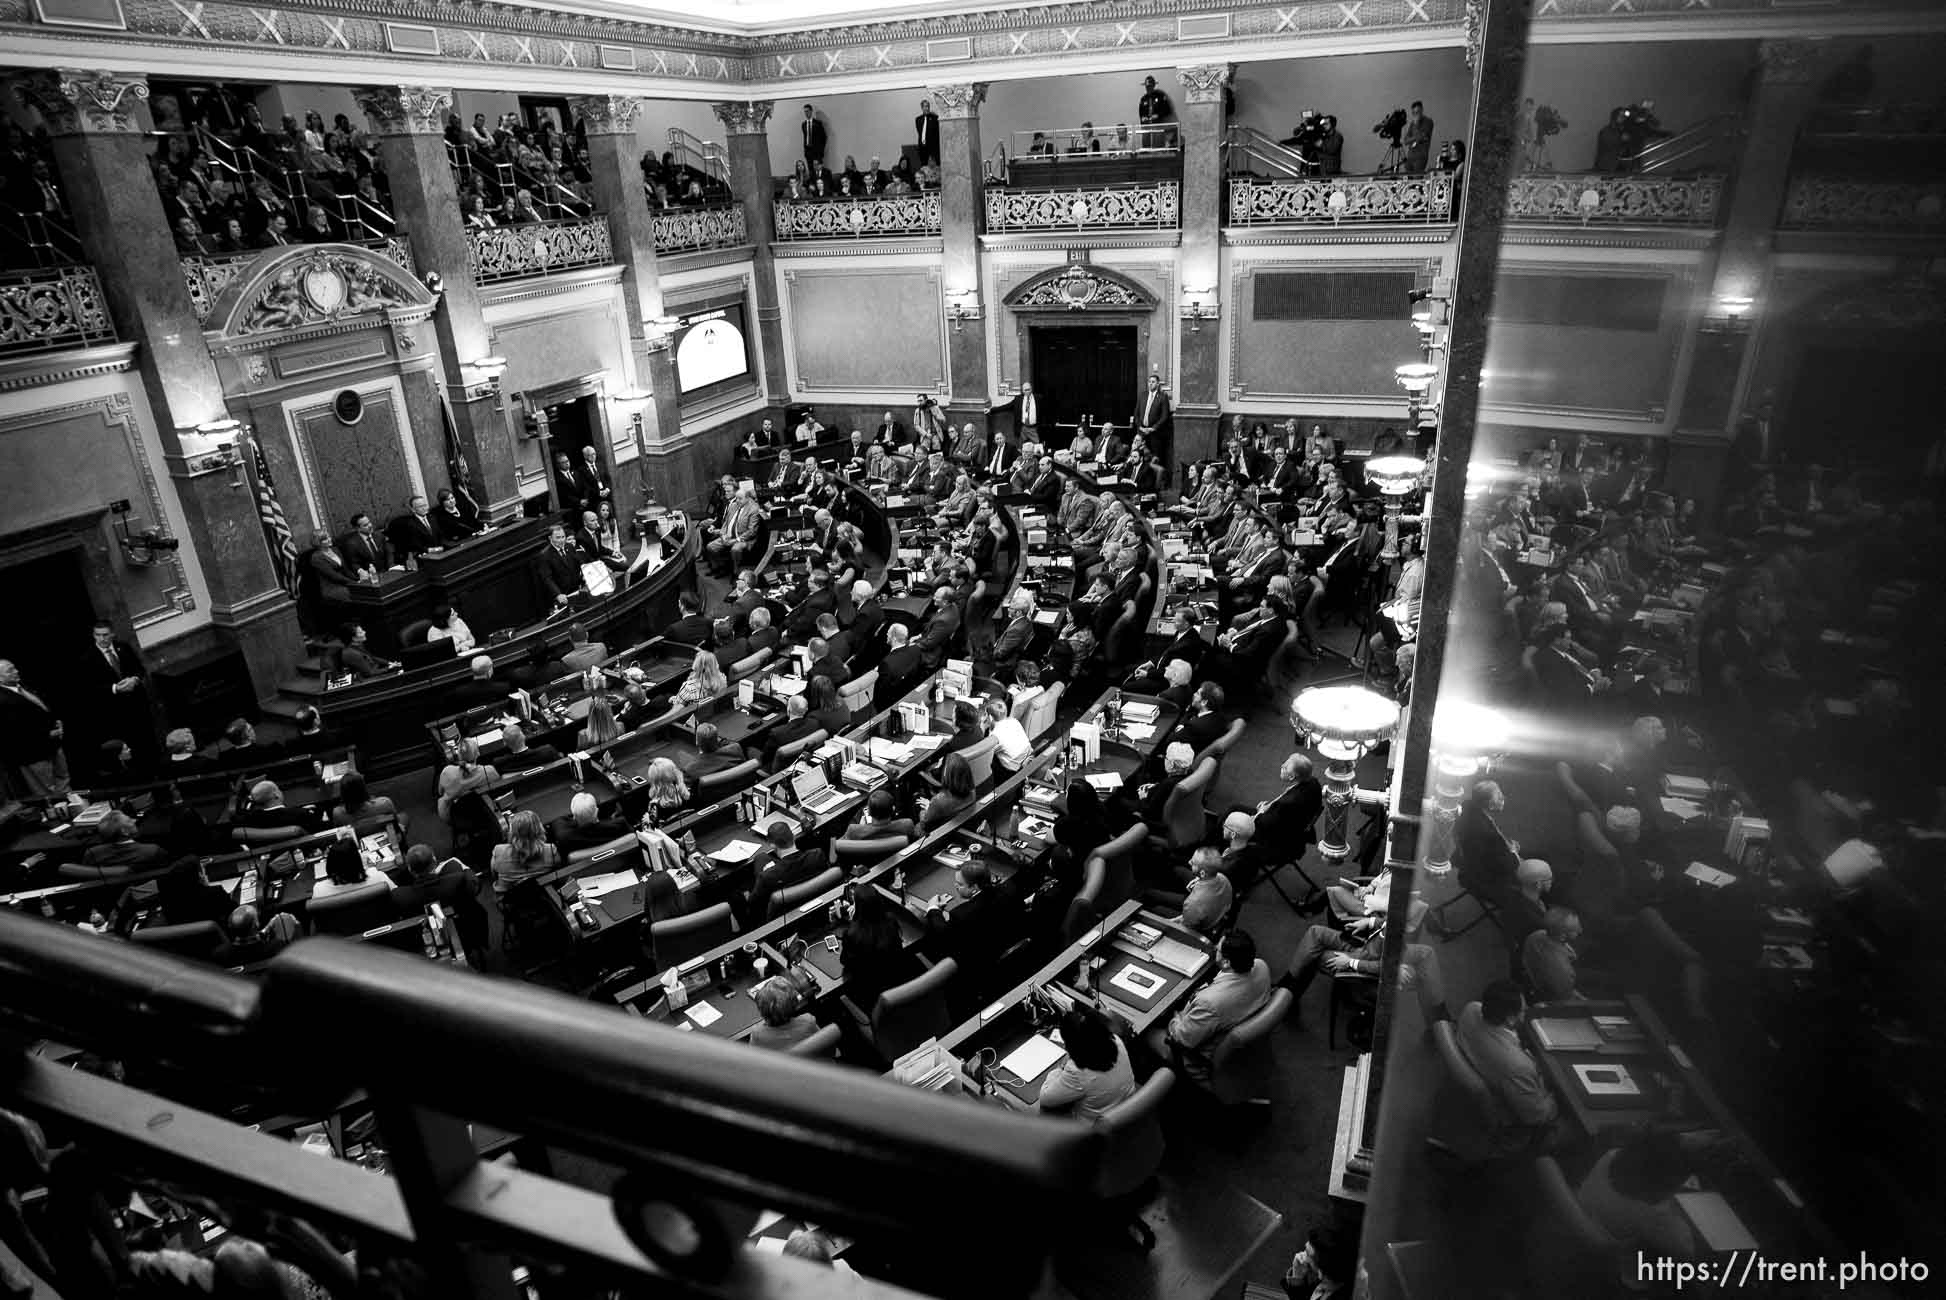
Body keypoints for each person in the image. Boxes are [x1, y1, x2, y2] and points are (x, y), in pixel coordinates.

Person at [1160, 931, 1271, 1082]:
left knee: (1145, 1031)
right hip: (1244, 1041)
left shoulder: (1210, 1003)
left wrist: (1175, 1017)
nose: (1214, 950)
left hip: (1198, 1057)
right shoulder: (1261, 965)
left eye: (1217, 949)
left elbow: (1181, 1039)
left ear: (1226, 962)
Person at [1576, 1129, 1702, 1258]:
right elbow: (1686, 1251)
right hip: (1612, 1257)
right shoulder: (1657, 1218)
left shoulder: (1610, 1156)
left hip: (1580, 1217)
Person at [1454, 979, 1557, 1131]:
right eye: (1523, 1010)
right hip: (1513, 1117)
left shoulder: (1471, 1009)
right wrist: (1556, 1099)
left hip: (1486, 1067)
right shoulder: (1518, 1067)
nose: (1526, 1011)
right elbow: (1536, 1116)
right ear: (1510, 1018)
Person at [1037, 1005, 1136, 1122]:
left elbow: (1045, 1098)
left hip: (1096, 1126)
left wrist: (1059, 1069)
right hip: (1130, 1107)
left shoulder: (1076, 1071)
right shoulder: (1115, 1040)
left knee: (1039, 1114)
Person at [0, 658, 69, 797]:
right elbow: (13, 730)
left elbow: (41, 709)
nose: (16, 671)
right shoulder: (2, 699)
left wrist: (56, 722)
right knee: (47, 792)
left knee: (64, 784)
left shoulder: (24, 687)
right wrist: (48, 734)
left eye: (14, 667)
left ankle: (73, 811)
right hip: (33, 753)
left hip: (53, 746)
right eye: (10, 670)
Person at [838, 881, 906, 1010]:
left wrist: (853, 923)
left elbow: (844, 961)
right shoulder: (890, 921)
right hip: (896, 982)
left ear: (859, 908)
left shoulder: (852, 934)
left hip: (869, 994)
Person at [745, 818, 826, 920]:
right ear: (793, 836)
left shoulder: (767, 876)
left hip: (784, 918)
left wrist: (770, 871)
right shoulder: (817, 855)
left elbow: (753, 904)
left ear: (772, 845)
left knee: (760, 859)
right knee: (762, 858)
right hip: (817, 908)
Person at [491, 810, 559, 894]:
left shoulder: (498, 851)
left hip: (509, 899)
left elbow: (494, 874)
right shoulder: (551, 850)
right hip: (544, 895)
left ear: (512, 831)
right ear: (539, 828)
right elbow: (557, 873)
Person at [156, 855, 233, 925]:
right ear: (199, 876)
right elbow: (236, 914)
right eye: (202, 872)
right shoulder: (215, 893)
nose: (204, 875)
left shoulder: (169, 903)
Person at [79, 811, 167, 871]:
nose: (134, 820)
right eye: (129, 820)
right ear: (124, 831)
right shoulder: (153, 851)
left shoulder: (91, 854)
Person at [313, 837, 394, 904]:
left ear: (330, 864)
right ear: (358, 860)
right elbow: (397, 896)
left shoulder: (319, 890)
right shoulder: (378, 877)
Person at [436, 739, 500, 823]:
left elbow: (440, 792)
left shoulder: (447, 771)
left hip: (456, 815)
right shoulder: (489, 771)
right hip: (484, 813)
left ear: (459, 756)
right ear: (478, 753)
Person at [750, 975, 821, 1049]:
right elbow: (824, 1041)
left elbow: (754, 1056)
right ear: (795, 1003)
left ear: (762, 1011)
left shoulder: (757, 1034)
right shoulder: (808, 1021)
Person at [213, 904, 300, 965]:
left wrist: (267, 928)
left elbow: (249, 941)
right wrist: (297, 926)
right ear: (257, 924)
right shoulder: (276, 947)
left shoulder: (220, 954)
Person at [551, 790, 630, 854]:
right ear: (597, 811)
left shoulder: (564, 837)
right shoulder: (619, 825)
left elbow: (558, 821)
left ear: (574, 816)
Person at [921, 753, 978, 830]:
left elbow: (924, 825)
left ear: (946, 774)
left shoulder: (938, 801)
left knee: (917, 805)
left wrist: (928, 808)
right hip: (962, 825)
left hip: (939, 833)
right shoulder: (972, 791)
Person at [330, 770, 400, 830]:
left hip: (358, 840)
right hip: (383, 836)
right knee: (403, 816)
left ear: (343, 793)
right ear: (364, 789)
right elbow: (396, 822)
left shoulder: (337, 814)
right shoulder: (385, 803)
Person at [536, 522, 584, 608]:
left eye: (563, 537)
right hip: (563, 595)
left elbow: (579, 564)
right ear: (550, 538)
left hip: (577, 589)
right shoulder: (545, 555)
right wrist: (558, 594)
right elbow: (547, 578)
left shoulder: (569, 547)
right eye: (558, 538)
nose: (562, 540)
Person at [637, 756, 691, 828]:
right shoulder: (688, 793)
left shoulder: (654, 805)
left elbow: (651, 828)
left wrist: (646, 819)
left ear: (654, 780)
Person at [1132, 373, 1172, 457]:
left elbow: (1164, 416)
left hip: (1155, 433)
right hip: (1142, 431)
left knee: (1155, 456)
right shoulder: (1143, 395)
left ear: (1158, 384)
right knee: (1140, 455)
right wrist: (1140, 427)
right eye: (1149, 381)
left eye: (1153, 382)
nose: (1150, 383)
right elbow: (1136, 414)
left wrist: (1153, 428)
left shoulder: (1163, 397)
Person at [1402, 100, 1435, 173]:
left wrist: (1416, 125)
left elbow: (1421, 136)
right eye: (1414, 113)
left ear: (1422, 110)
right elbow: (1405, 141)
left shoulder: (1428, 121)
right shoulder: (1412, 124)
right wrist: (1414, 138)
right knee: (1407, 179)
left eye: (1418, 112)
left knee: (1417, 178)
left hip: (1421, 156)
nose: (1416, 115)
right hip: (1410, 156)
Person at [914, 97, 940, 165]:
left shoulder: (934, 118)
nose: (927, 108)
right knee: (923, 165)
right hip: (922, 147)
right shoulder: (918, 119)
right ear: (922, 108)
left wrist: (935, 115)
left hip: (932, 148)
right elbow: (919, 132)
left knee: (934, 165)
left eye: (928, 106)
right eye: (925, 106)